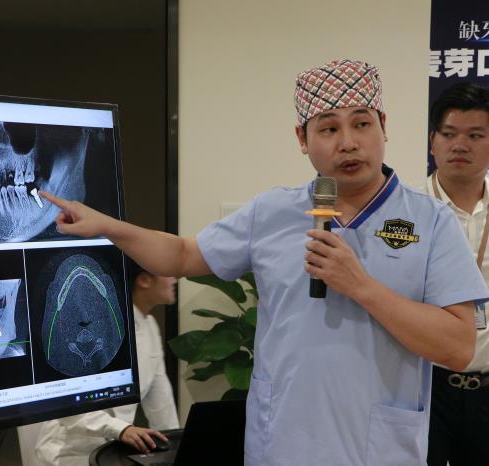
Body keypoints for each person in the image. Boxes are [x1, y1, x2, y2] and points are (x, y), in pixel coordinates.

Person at [39, 59, 489, 465]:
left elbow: (458, 347)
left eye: (361, 124)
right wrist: (108, 226)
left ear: (383, 126)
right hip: (283, 445)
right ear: (302, 139)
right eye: (328, 129)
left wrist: (362, 286)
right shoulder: (272, 212)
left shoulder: (431, 221)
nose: (349, 143)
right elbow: (181, 255)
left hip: (379, 450)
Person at [34, 260, 179, 465]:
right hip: (69, 452)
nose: (175, 279)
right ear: (145, 280)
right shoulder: (90, 331)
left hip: (114, 449)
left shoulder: (149, 327)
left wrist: (174, 445)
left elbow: (161, 404)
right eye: (169, 272)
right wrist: (121, 429)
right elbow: (70, 407)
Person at [422, 81, 489, 466]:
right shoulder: (406, 215)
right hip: (423, 387)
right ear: (433, 142)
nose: (459, 145)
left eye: (475, 135)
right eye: (448, 134)